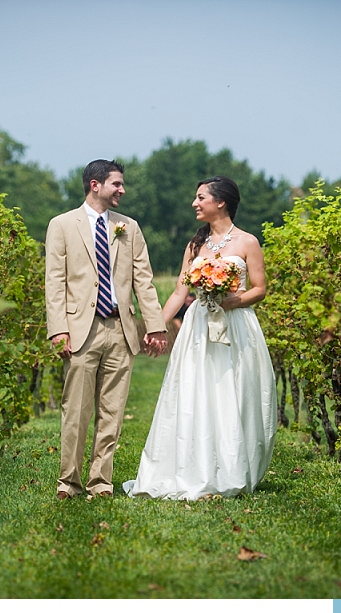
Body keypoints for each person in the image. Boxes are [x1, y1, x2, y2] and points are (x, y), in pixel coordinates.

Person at [123, 176, 278, 500]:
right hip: (198, 327)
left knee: (231, 392)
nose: (195, 203)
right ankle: (190, 466)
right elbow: (181, 292)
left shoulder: (248, 242)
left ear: (220, 202)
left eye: (200, 197)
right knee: (195, 391)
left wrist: (230, 301)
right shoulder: (195, 245)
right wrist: (155, 325)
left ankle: (232, 466)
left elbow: (260, 289)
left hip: (235, 326)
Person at [45, 159, 168, 500]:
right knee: (77, 410)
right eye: (117, 184)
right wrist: (58, 329)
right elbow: (54, 282)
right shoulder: (61, 225)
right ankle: (68, 482)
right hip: (79, 330)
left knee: (112, 412)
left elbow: (144, 280)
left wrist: (155, 325)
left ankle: (101, 482)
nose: (123, 190)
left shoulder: (129, 227)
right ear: (95, 185)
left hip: (120, 329)